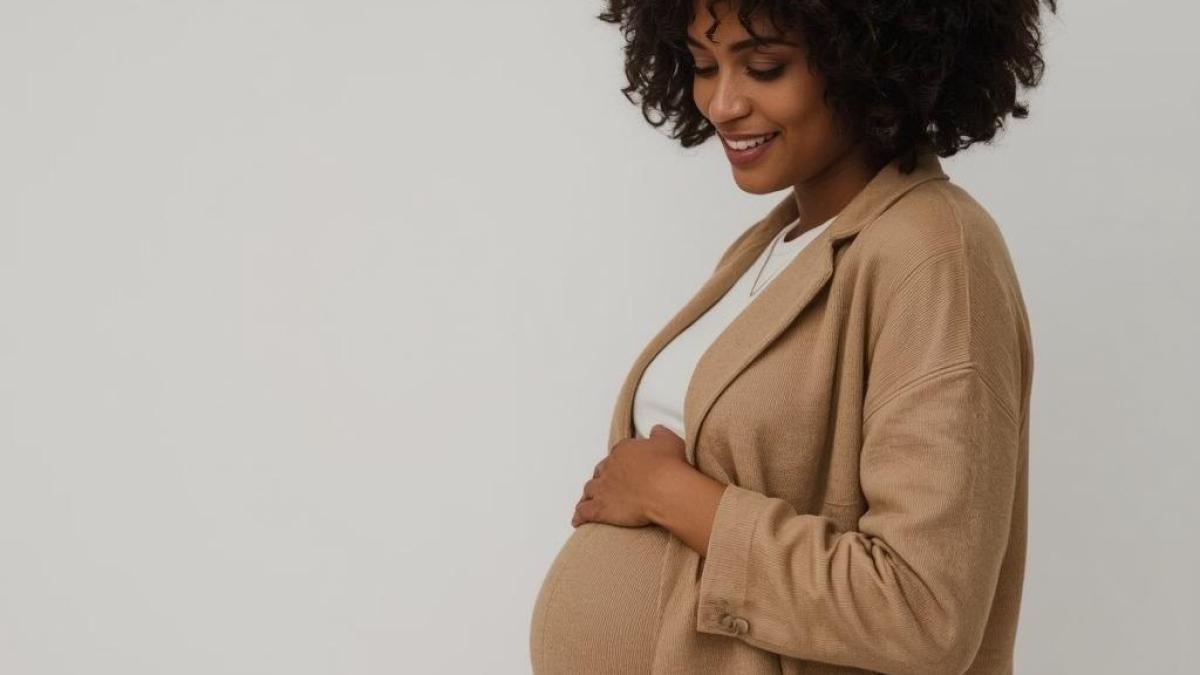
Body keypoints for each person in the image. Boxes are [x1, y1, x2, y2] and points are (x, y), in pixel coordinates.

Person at [530, 0, 1056, 673]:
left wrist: (671, 493)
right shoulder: (775, 244)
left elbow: (924, 612)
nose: (721, 103)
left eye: (765, 67)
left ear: (866, 63)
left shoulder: (935, 253)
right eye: (701, 65)